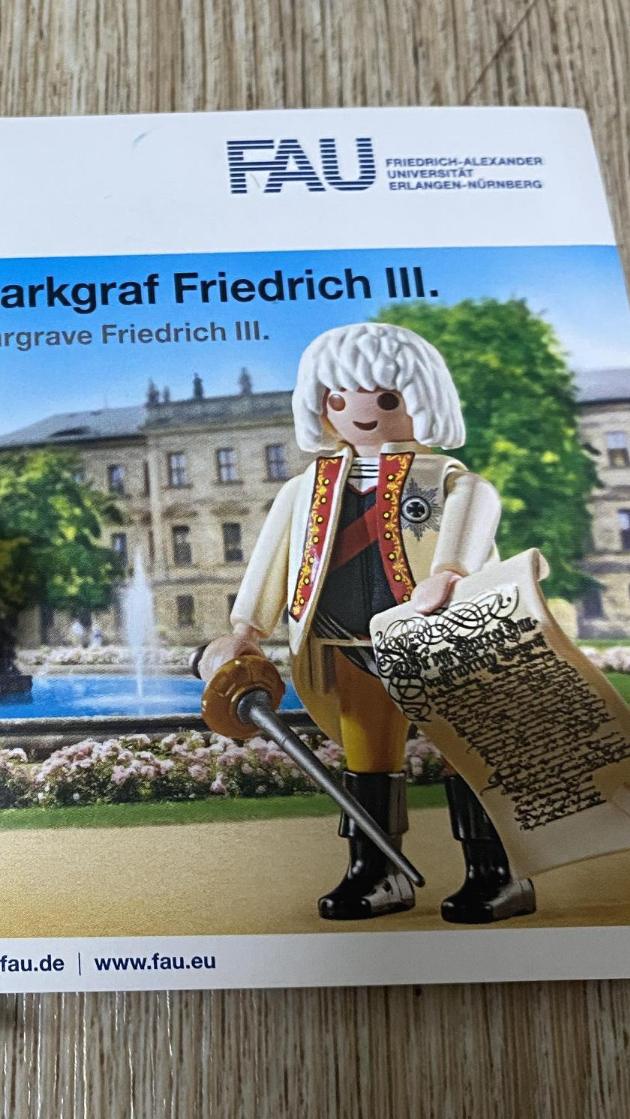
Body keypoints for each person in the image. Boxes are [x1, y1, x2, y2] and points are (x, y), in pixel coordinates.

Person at [194, 322, 534, 923]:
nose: (360, 411)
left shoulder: (442, 477)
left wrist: (450, 570)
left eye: (385, 398)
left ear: (422, 400)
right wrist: (246, 628)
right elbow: (273, 558)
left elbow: (477, 503)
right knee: (367, 761)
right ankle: (376, 871)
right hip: (346, 644)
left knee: (468, 754)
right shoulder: (307, 488)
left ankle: (496, 872)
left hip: (438, 641)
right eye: (339, 397)